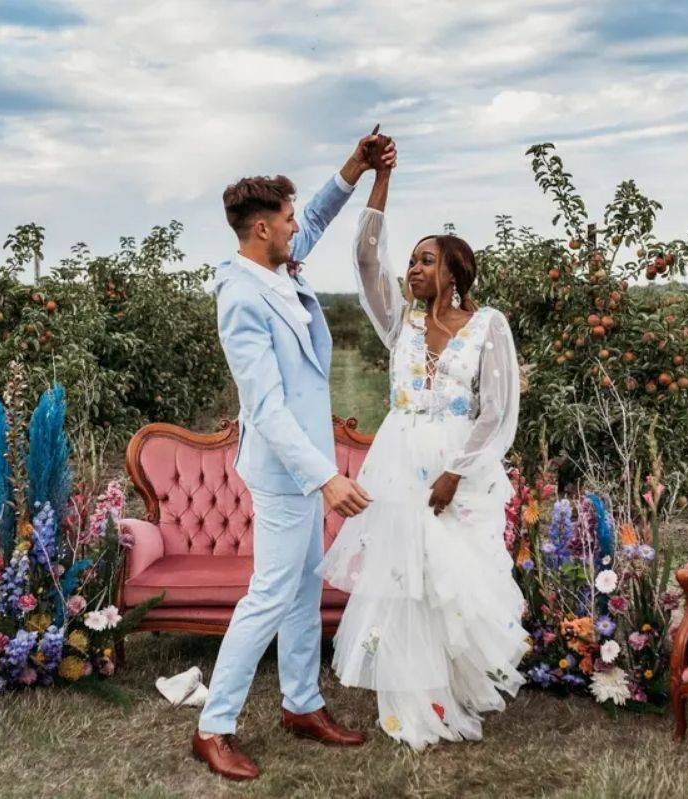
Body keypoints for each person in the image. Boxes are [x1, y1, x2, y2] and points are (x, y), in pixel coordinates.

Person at [193, 131, 397, 781]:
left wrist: (356, 167)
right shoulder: (243, 298)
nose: (294, 226)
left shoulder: (277, 265)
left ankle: (301, 703)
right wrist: (325, 477)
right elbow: (267, 409)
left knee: (304, 586)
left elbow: (314, 217)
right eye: (284, 218)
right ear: (259, 230)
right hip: (287, 472)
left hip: (305, 470)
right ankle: (213, 725)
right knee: (270, 593)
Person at [318, 145, 530, 749]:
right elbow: (365, 257)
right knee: (405, 579)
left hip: (458, 468)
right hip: (399, 459)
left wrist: (456, 473)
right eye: (410, 261)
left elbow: (496, 411)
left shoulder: (488, 326)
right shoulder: (400, 324)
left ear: (454, 274)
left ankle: (454, 692)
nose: (411, 270)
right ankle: (411, 704)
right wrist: (380, 180)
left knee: (452, 581)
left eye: (425, 261)